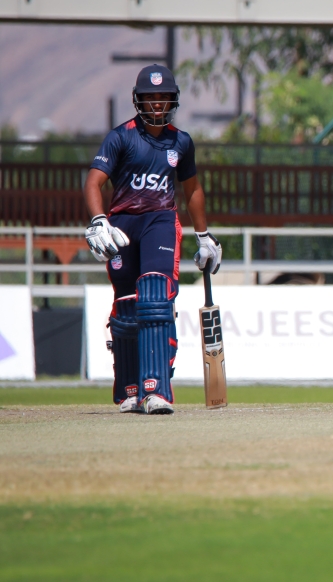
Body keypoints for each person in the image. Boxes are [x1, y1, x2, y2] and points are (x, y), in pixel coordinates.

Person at [83, 64, 222, 415]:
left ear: (173, 100)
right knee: (128, 304)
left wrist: (203, 236)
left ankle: (156, 388)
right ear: (138, 100)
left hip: (161, 221)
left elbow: (192, 190)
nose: (157, 105)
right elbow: (94, 181)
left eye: (162, 98)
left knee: (156, 296)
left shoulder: (181, 142)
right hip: (122, 226)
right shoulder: (120, 137)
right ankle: (130, 388)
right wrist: (99, 221)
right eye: (150, 98)